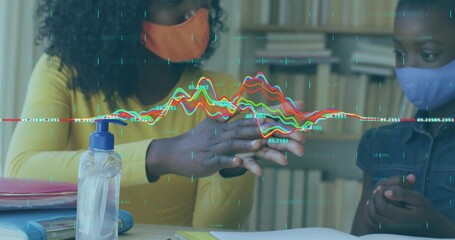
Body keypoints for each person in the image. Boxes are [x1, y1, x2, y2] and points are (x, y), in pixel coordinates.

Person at [5, 0, 305, 228]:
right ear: (124, 11)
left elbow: (211, 229)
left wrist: (233, 166)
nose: (195, 14)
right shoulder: (61, 72)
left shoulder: (223, 91)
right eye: (174, 1)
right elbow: (21, 170)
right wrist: (162, 155)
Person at [352, 0, 455, 237]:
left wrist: (439, 228)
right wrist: (374, 215)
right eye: (399, 53)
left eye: (428, 54)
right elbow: (357, 234)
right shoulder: (380, 143)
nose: (408, 67)